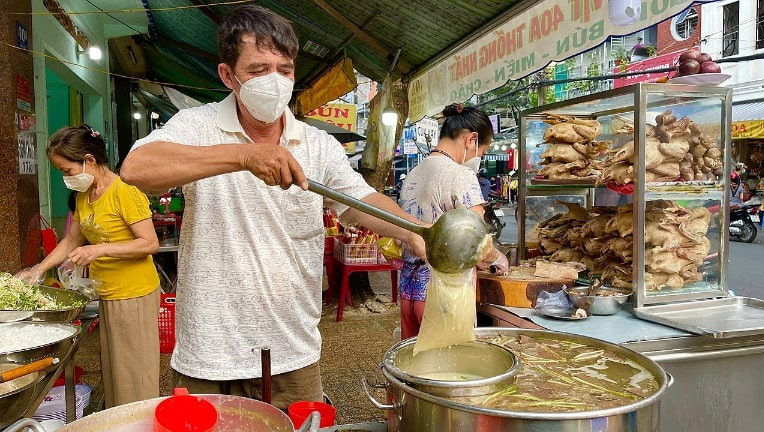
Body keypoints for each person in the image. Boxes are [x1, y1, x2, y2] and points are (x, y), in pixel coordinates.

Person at [118, 5, 426, 409]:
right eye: (258, 69)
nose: (275, 82)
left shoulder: (316, 144)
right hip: (210, 350)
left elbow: (359, 201)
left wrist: (418, 232)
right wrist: (243, 156)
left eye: (285, 69)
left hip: (290, 348)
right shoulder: (196, 126)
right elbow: (137, 168)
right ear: (228, 75)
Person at [15, 124, 161, 408]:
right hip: (108, 292)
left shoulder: (125, 192)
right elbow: (71, 240)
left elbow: (149, 243)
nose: (65, 178)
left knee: (135, 372)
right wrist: (39, 269)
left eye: (67, 170)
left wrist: (99, 249)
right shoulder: (85, 195)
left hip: (133, 294)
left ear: (89, 161)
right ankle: (121, 421)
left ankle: (141, 422)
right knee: (115, 369)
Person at [397, 103, 509, 340]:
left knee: (416, 370)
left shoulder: (414, 174)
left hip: (408, 293)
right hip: (444, 297)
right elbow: (476, 241)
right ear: (471, 139)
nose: (478, 159)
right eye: (482, 153)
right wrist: (498, 259)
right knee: (448, 371)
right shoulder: (460, 175)